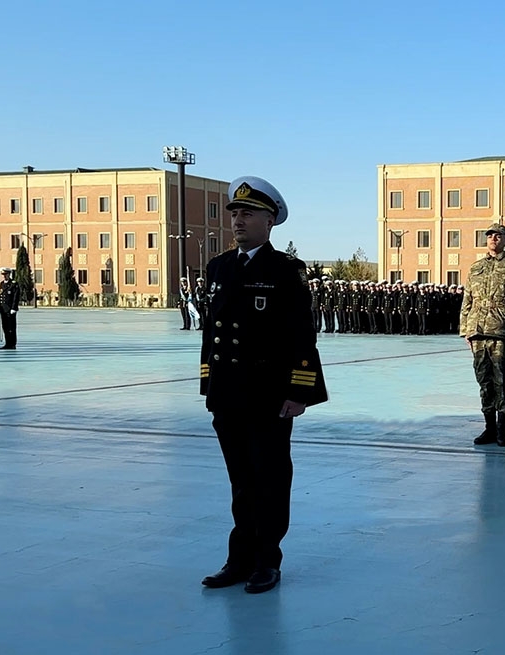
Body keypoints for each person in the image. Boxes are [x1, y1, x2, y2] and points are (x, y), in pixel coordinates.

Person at [199, 176, 327, 595]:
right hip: (228, 394)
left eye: (248, 213)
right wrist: (208, 384)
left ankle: (267, 561)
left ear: (270, 221)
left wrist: (300, 391)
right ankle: (239, 559)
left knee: (269, 479)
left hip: (268, 395)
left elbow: (301, 334)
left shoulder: (286, 270)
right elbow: (210, 335)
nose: (238, 220)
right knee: (240, 481)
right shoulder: (219, 268)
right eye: (235, 213)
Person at [460, 223, 505, 447]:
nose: (493, 239)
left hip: (501, 331)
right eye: (490, 235)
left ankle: (502, 430)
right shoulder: (476, 267)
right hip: (477, 331)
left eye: (498, 236)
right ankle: (489, 427)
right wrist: (465, 330)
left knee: (501, 381)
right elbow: (467, 299)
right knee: (484, 381)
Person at [0, 267, 20, 349]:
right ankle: (7, 343)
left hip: (10, 309)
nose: (4, 276)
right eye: (3, 274)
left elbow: (16, 297)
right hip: (3, 309)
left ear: (9, 274)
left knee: (11, 327)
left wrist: (14, 308)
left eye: (5, 274)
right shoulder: (2, 284)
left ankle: (12, 344)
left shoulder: (13, 284)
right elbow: (1, 296)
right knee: (5, 327)